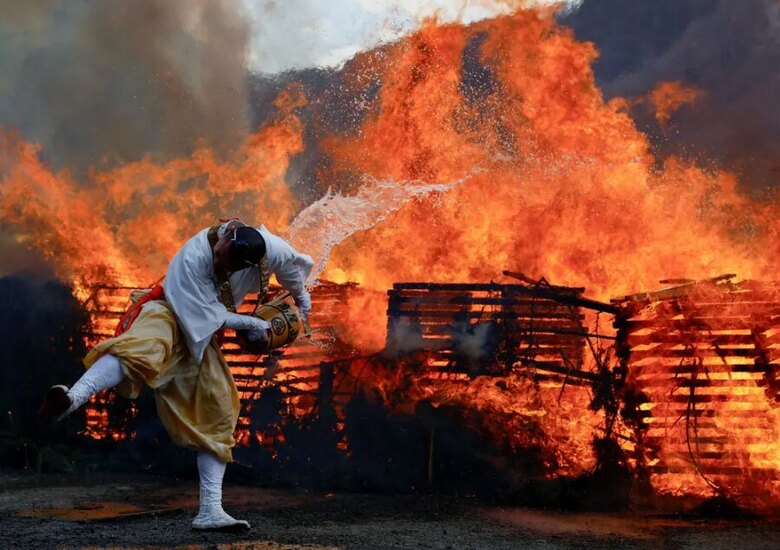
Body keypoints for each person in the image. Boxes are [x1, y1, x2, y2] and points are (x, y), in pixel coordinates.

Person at [38, 219, 314, 531]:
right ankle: (71, 399)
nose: (220, 262)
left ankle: (210, 512)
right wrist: (251, 324)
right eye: (221, 255)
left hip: (200, 337)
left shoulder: (269, 248)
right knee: (144, 349)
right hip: (168, 311)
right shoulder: (193, 257)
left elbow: (290, 267)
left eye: (229, 264)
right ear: (226, 235)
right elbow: (209, 316)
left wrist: (303, 301)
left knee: (218, 409)